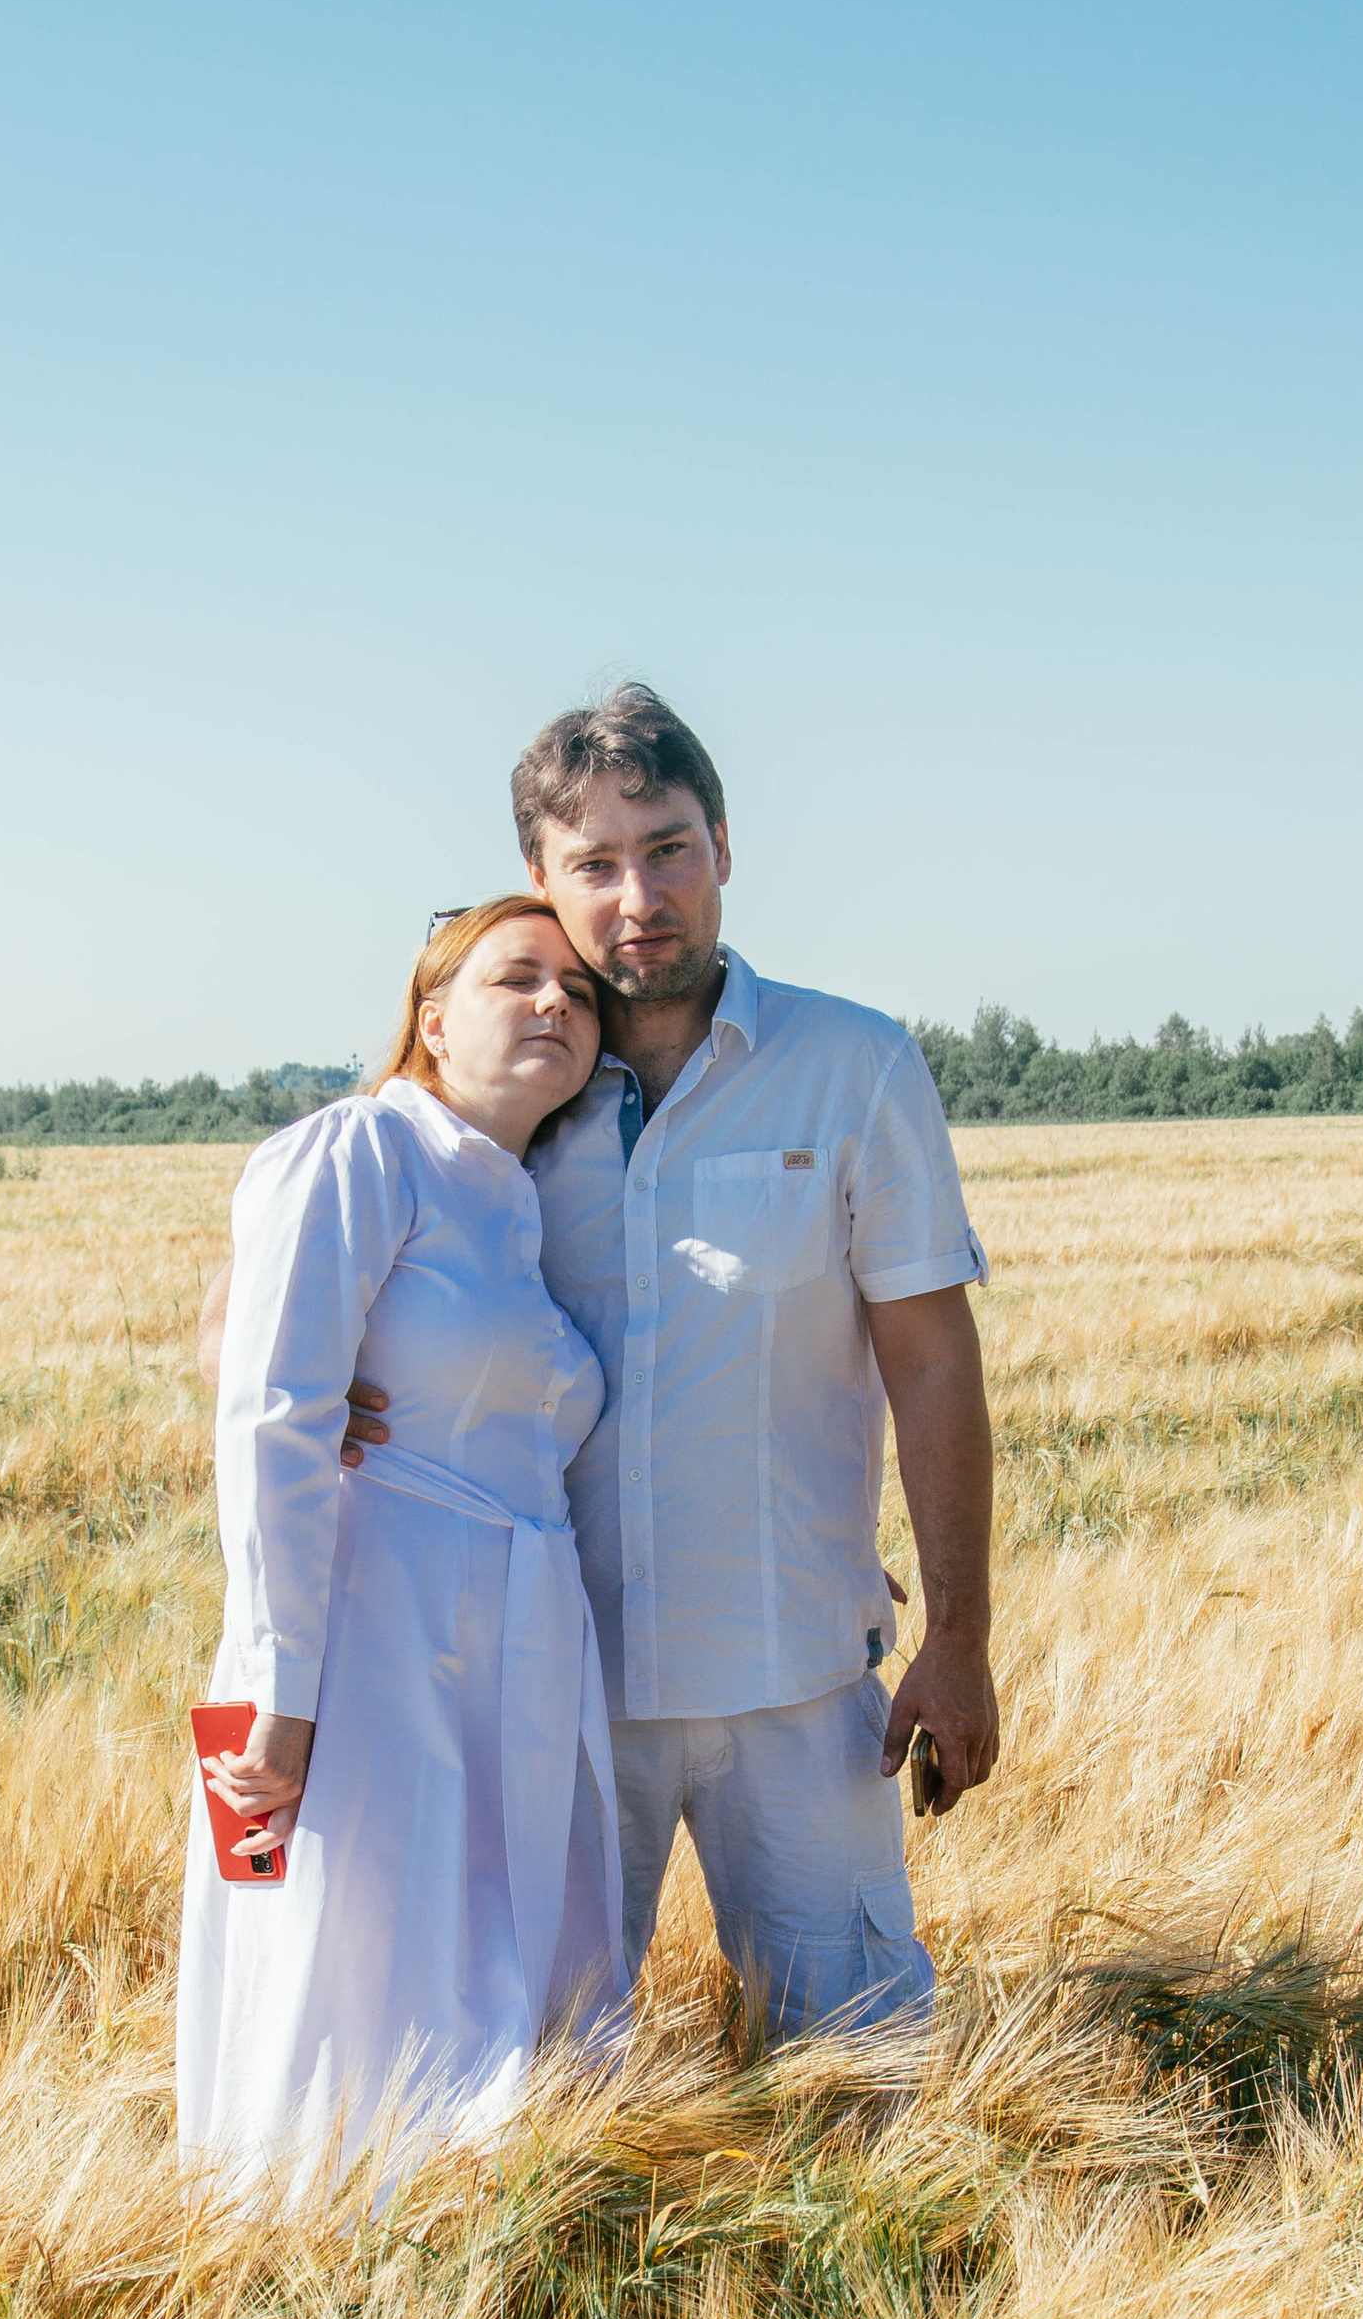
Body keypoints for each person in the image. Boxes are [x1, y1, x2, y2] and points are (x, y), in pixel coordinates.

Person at [200, 685, 998, 2039]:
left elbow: (933, 1363)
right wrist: (256, 1354)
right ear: (541, 879)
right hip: (555, 1687)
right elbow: (309, 1250)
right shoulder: (511, 1096)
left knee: (864, 2061)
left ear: (727, 845)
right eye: (597, 864)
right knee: (542, 2060)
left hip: (795, 1674)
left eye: (671, 847)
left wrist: (963, 1640)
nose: (641, 895)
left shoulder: (853, 1067)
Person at [177, 899, 626, 2200]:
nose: (556, 1003)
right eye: (516, 978)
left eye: (578, 992)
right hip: (367, 1651)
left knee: (493, 1975)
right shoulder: (361, 1150)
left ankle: (492, 2280)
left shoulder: (522, 1201)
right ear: (432, 1018)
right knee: (355, 1981)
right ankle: (319, 2286)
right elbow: (271, 1415)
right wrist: (280, 1686)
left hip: (510, 1662)